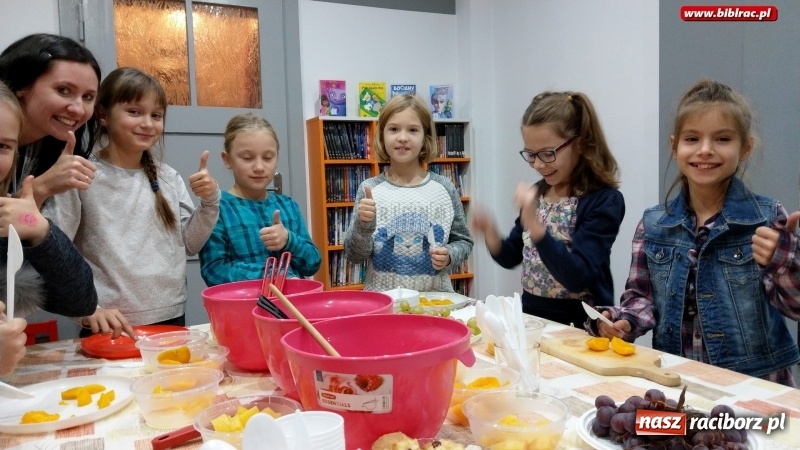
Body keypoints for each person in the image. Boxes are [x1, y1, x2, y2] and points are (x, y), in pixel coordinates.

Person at [587, 79, 800, 387]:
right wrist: (624, 322)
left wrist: (783, 260)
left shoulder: (766, 219)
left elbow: (795, 306)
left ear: (745, 148)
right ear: (675, 147)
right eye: (692, 138)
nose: (705, 150)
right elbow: (641, 297)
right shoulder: (654, 223)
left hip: (756, 384)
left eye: (722, 139)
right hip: (681, 382)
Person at [43, 67, 220, 338]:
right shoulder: (80, 175)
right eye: (134, 112)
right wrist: (87, 310)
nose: (148, 123)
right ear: (103, 115)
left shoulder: (168, 177)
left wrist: (209, 201)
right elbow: (54, 251)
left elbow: (189, 243)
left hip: (170, 314)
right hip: (109, 323)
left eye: (156, 115)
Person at [471, 91, 624, 326]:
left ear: (581, 144)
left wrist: (536, 227)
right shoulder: (538, 193)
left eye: (548, 153)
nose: (539, 164)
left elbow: (577, 277)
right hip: (533, 318)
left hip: (582, 325)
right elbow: (511, 255)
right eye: (531, 154)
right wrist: (490, 231)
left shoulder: (603, 201)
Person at [344, 94, 472, 292]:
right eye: (394, 129)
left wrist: (449, 254)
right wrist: (363, 225)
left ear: (426, 137)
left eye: (413, 130)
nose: (402, 137)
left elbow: (463, 241)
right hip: (384, 306)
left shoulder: (444, 188)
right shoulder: (370, 190)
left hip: (434, 304)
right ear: (381, 136)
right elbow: (354, 255)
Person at [0, 80, 97, 322]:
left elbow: (81, 302)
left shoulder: (8, 217)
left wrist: (41, 230)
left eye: (3, 146)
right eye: (63, 90)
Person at [199, 113, 321, 286]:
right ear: (227, 160)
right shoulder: (217, 210)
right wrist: (271, 274)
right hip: (243, 310)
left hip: (291, 310)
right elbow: (214, 271)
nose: (258, 167)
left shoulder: (288, 206)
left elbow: (313, 263)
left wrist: (289, 240)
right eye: (247, 158)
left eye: (268, 157)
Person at [0, 33, 101, 206]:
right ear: (21, 85)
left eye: (88, 97)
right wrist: (42, 187)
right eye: (63, 90)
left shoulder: (59, 153)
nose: (78, 109)